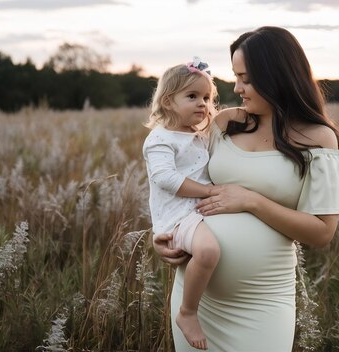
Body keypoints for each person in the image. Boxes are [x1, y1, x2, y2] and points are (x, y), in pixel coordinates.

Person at [153, 26, 339, 351]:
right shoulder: (224, 123)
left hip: (263, 302)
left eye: (245, 78)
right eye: (235, 76)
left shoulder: (318, 138)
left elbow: (321, 233)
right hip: (198, 304)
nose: (236, 87)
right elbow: (176, 182)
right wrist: (164, 235)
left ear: (276, 76)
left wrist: (251, 201)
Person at [142, 57, 221, 350]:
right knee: (209, 250)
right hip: (178, 216)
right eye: (192, 96)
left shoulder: (199, 135)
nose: (203, 104)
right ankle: (187, 312)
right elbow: (165, 178)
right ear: (167, 101)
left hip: (194, 212)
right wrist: (208, 192)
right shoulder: (160, 139)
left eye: (206, 98)